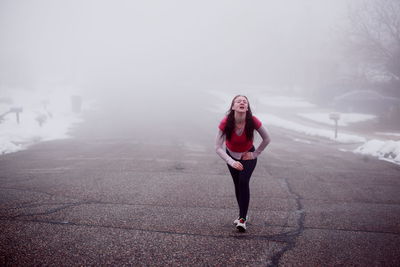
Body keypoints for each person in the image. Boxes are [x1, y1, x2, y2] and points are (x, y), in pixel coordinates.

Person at [215, 95, 271, 232]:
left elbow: (267, 138)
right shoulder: (226, 122)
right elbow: (217, 147)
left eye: (244, 101)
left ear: (247, 107)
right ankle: (243, 214)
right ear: (233, 106)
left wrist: (254, 154)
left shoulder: (253, 121)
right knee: (237, 184)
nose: (242, 102)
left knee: (243, 181)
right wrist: (231, 161)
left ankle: (242, 219)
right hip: (231, 156)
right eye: (238, 101)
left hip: (248, 156)